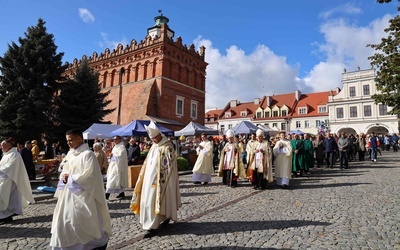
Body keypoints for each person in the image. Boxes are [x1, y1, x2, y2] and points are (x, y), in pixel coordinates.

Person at [49, 129, 112, 249]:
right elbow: (65, 168)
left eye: (70, 140)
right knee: (65, 221)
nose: (68, 143)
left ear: (79, 139)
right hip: (68, 195)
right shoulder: (71, 153)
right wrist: (63, 172)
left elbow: (90, 176)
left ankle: (88, 245)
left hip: (84, 194)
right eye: (67, 140)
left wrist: (71, 177)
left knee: (81, 221)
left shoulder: (88, 155)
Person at [130, 121, 181, 238]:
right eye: (151, 138)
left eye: (154, 138)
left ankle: (153, 226)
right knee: (147, 201)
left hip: (160, 182)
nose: (152, 140)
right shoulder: (154, 145)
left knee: (153, 202)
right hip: (148, 180)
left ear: (159, 135)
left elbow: (169, 166)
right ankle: (155, 221)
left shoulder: (167, 147)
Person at [0, 139, 35, 223]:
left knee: (5, 197)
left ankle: (5, 216)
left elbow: (9, 168)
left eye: (2, 145)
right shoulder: (6, 154)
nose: (1, 147)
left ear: (9, 146)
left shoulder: (15, 154)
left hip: (11, 181)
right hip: (4, 179)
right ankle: (4, 216)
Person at [105, 135, 128, 200]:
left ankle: (107, 194)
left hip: (118, 167)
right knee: (116, 180)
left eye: (116, 139)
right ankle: (121, 193)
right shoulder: (115, 147)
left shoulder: (122, 147)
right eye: (114, 139)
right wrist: (111, 156)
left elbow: (121, 157)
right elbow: (114, 156)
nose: (114, 141)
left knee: (112, 180)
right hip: (113, 165)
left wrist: (113, 156)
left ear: (119, 140)